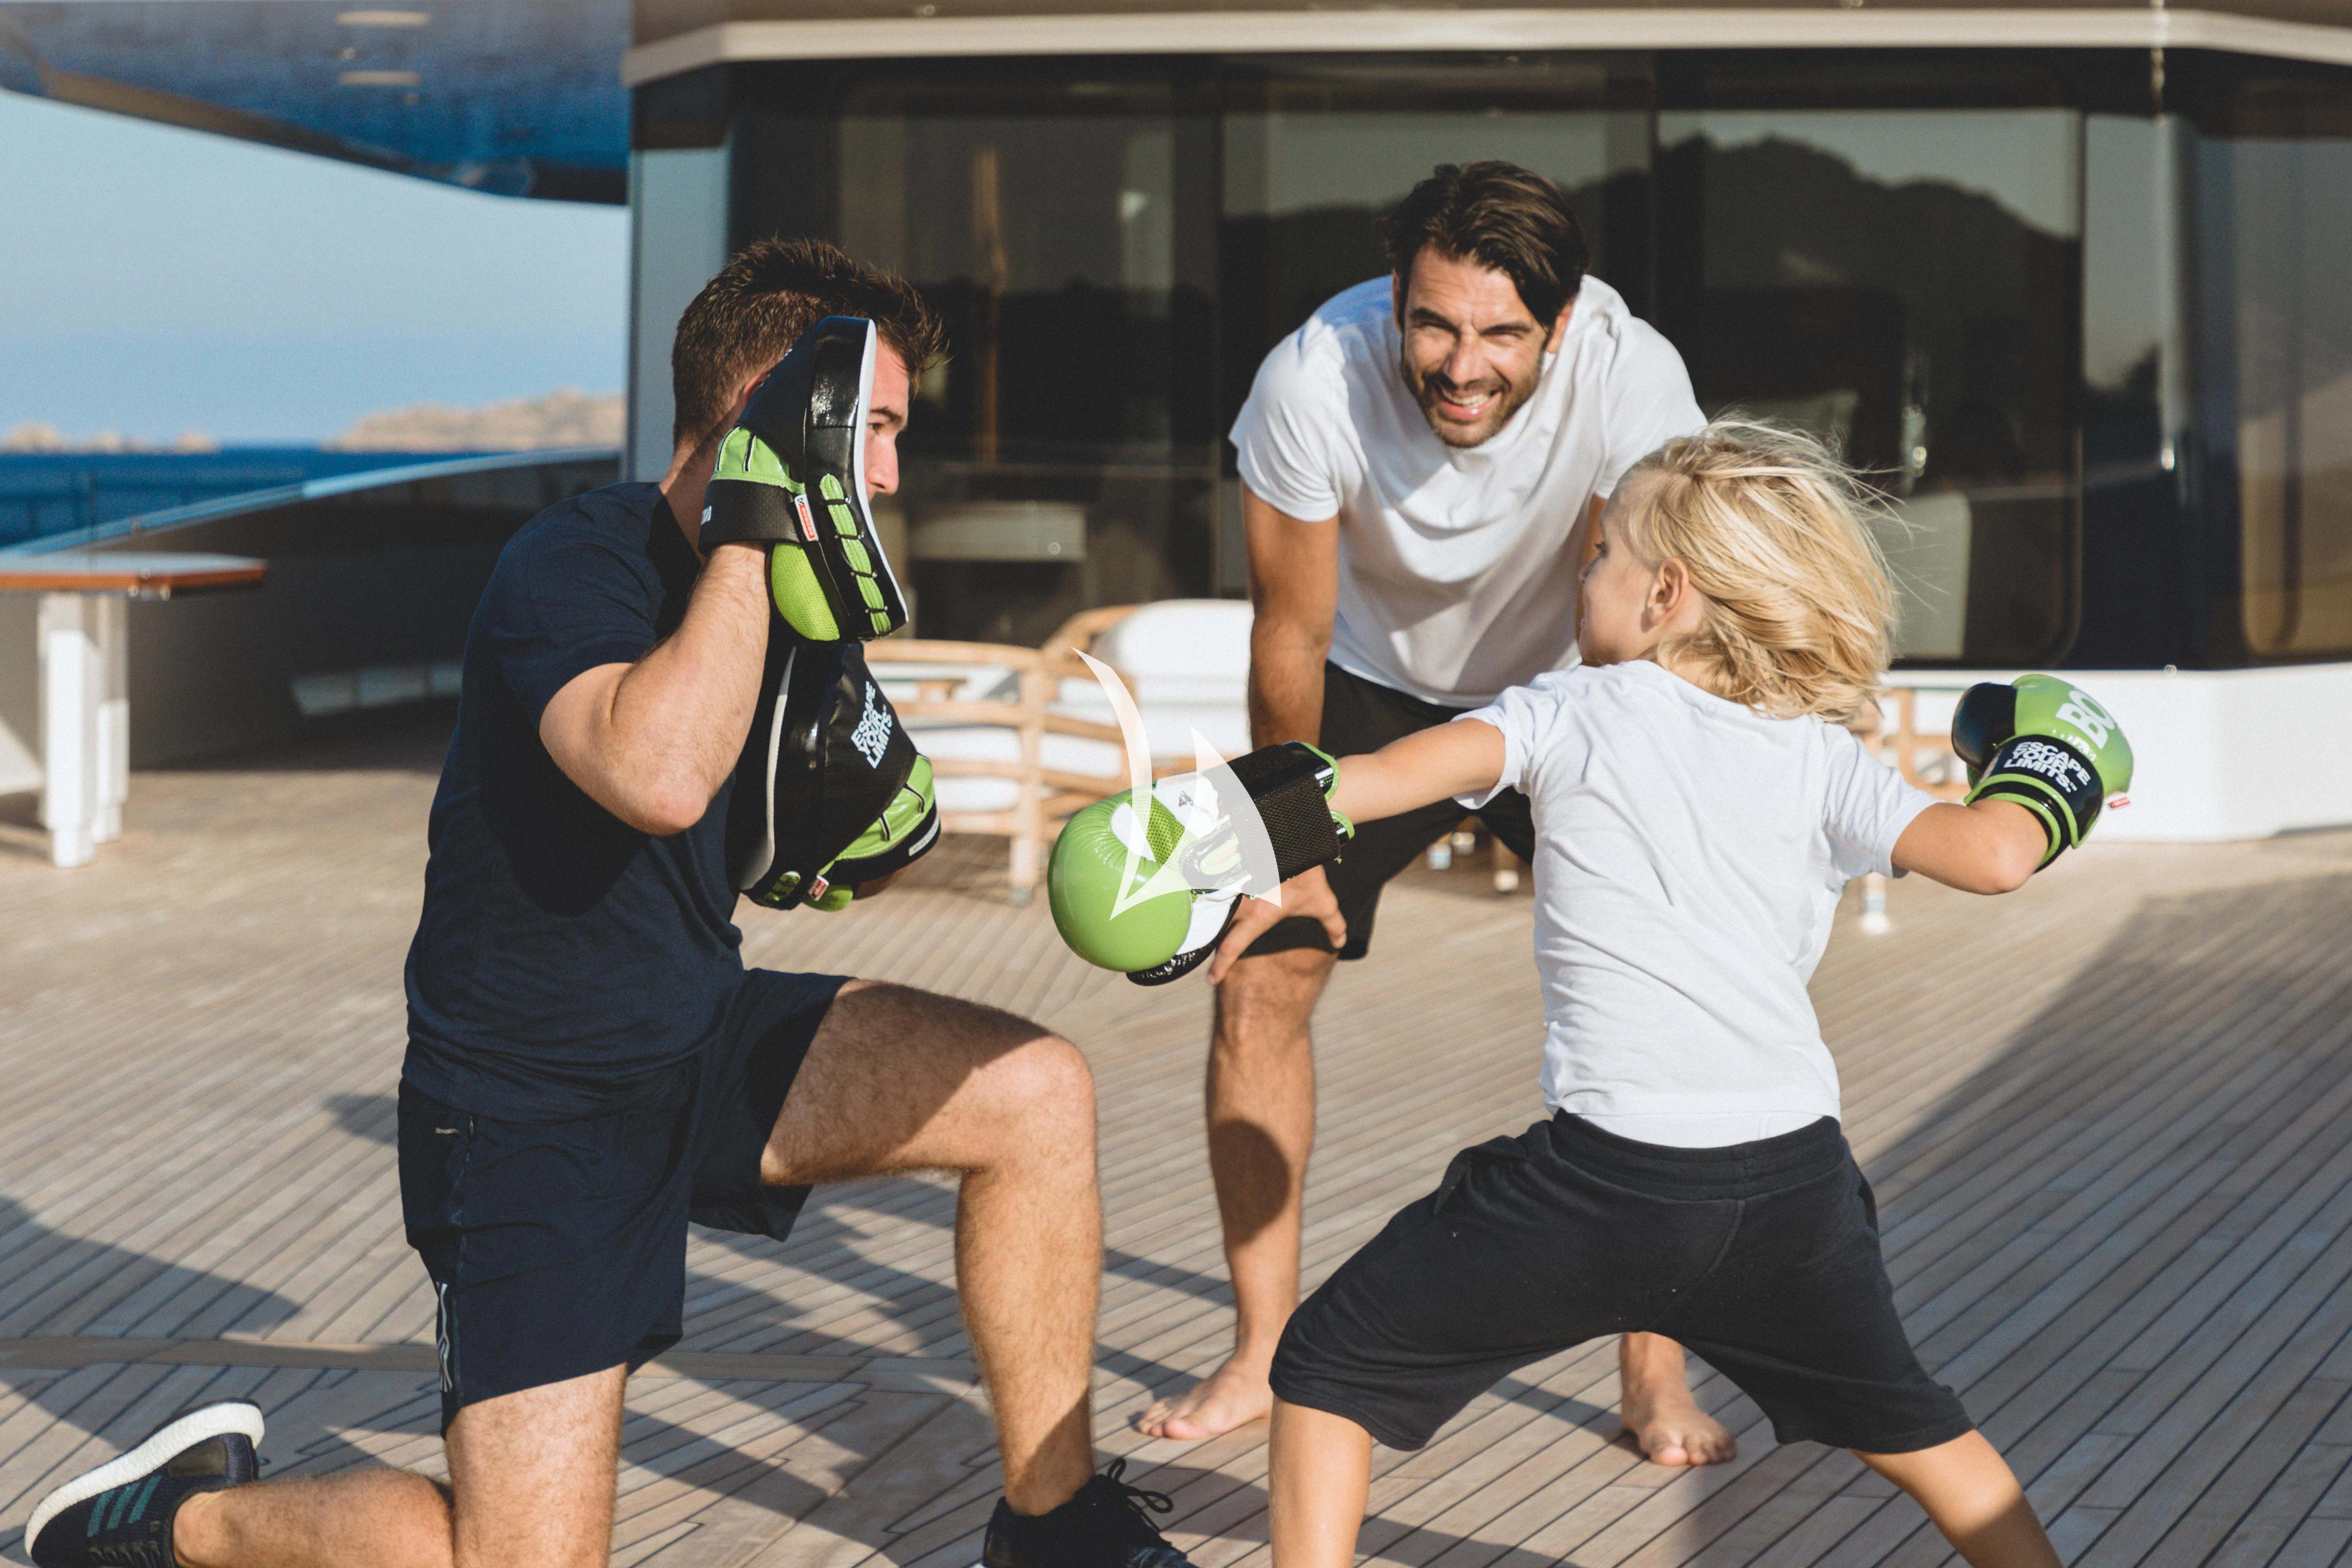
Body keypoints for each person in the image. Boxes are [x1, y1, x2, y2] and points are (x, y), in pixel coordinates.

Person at [23, 239, 1196, 1568]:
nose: (886, 474)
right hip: (532, 1115)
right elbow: (658, 775)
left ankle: (1055, 1528)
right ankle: (185, 1520)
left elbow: (784, 826)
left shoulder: (789, 592)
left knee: (1036, 1092)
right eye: (869, 428)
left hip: (694, 1035)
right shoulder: (573, 564)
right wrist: (757, 520)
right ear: (771, 407)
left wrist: (899, 841)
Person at [1262, 421, 2130, 1568]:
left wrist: (1195, 835)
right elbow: (1996, 855)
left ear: (1665, 593)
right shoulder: (1817, 754)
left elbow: (1365, 783)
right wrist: (2057, 762)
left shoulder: (1565, 711)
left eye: (1602, 555)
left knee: (1328, 1369)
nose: (1584, 576)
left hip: (1604, 1186)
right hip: (1794, 1187)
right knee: (1920, 1434)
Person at [1139, 160, 1726, 1460]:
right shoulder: (1310, 380)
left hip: (1572, 680)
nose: (1462, 367)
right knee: (1261, 977)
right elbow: (1288, 630)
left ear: (1561, 322)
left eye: (1502, 334)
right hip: (1364, 685)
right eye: (1434, 325)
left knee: (1662, 991)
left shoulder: (1634, 379)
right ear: (1395, 299)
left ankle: (1654, 1368)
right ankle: (1261, 1354)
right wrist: (1287, 848)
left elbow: (1645, 624)